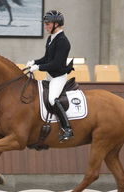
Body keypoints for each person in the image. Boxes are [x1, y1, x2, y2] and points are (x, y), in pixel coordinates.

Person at [27, 10, 74, 143]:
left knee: (53, 99)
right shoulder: (51, 38)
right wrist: (35, 62)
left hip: (58, 77)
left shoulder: (63, 41)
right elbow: (47, 58)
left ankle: (67, 128)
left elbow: (56, 64)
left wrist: (39, 68)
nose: (45, 26)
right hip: (49, 76)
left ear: (56, 24)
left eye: (48, 24)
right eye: (45, 23)